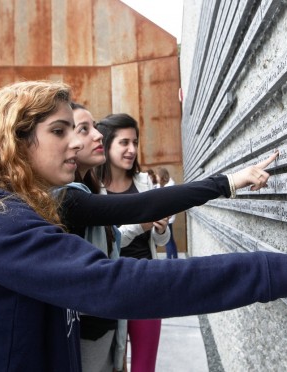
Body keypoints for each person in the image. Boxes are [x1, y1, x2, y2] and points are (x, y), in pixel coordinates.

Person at [0, 80, 287, 372]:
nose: (76, 142)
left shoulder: (7, 208)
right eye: (59, 130)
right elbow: (115, 282)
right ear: (14, 141)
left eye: (77, 128)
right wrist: (280, 270)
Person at [60, 103, 279, 372]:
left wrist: (159, 229)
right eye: (84, 129)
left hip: (118, 306)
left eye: (95, 127)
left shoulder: (89, 191)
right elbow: (145, 207)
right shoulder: (69, 197)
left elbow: (137, 230)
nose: (97, 136)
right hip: (91, 323)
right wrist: (228, 182)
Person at [96, 114, 172, 371]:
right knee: (114, 365)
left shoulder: (145, 183)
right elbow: (109, 240)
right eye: (124, 142)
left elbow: (158, 239)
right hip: (110, 288)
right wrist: (142, 224)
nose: (132, 150)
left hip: (147, 284)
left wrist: (161, 228)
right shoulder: (94, 191)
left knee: (144, 366)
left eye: (135, 142)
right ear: (106, 145)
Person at [157, 167, 178, 259]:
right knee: (171, 240)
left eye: (157, 175)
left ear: (161, 176)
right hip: (168, 217)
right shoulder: (166, 186)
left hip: (167, 218)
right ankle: (175, 259)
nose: (156, 177)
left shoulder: (167, 189)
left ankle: (169, 260)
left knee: (167, 241)